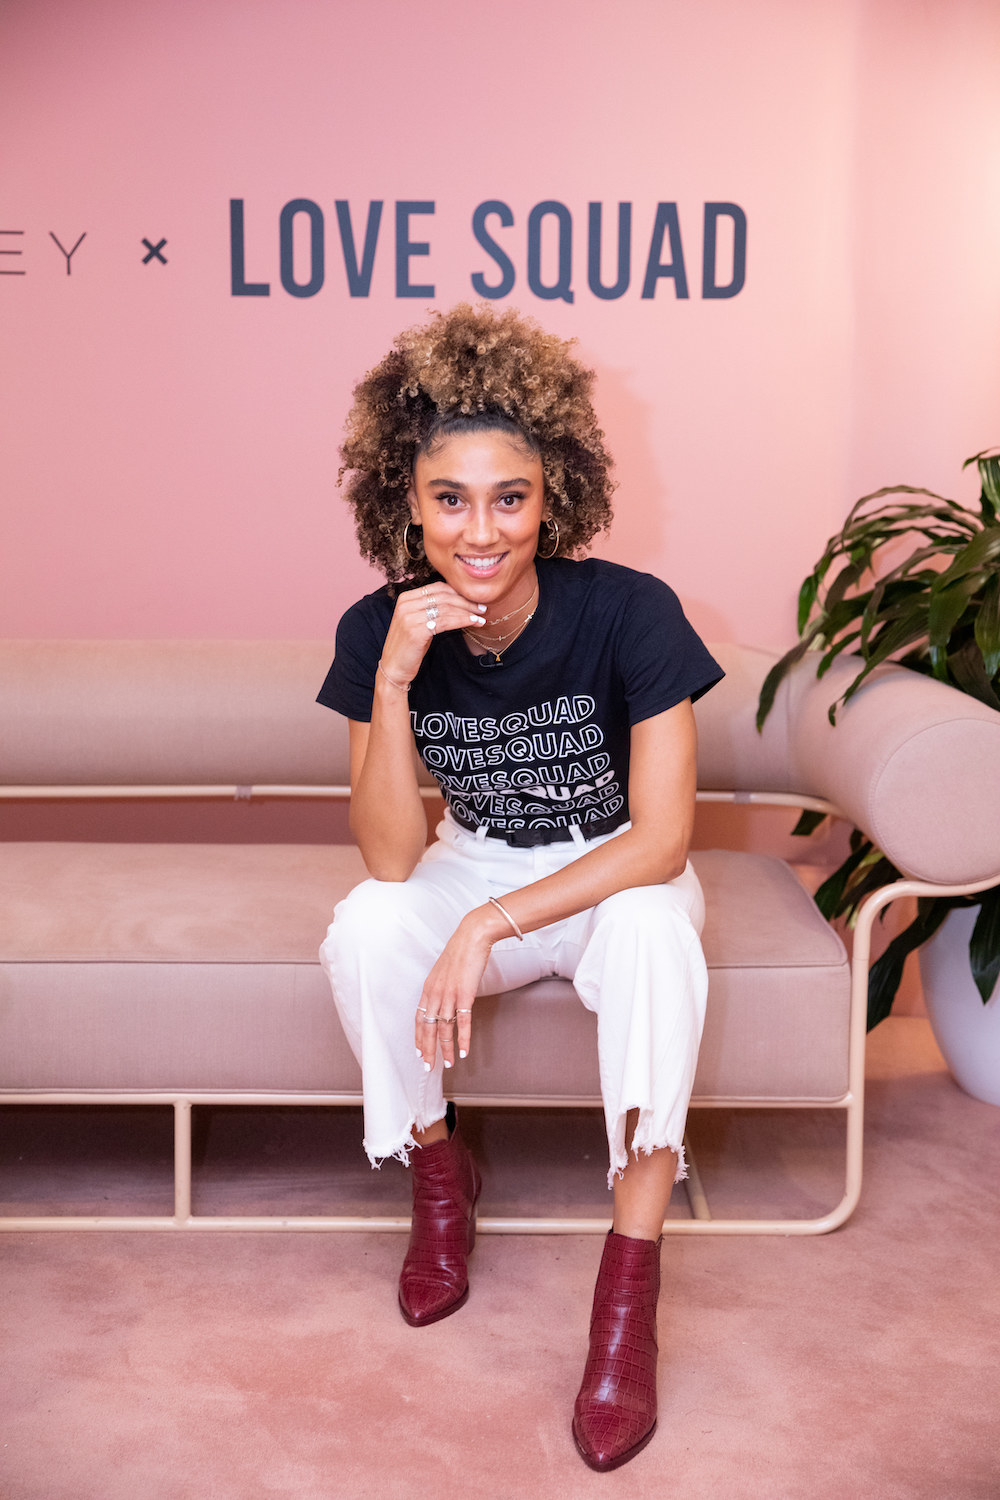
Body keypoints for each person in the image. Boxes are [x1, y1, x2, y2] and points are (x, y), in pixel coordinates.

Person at [317, 303, 723, 1473]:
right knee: (368, 925)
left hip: (607, 868)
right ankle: (441, 1179)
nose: (480, 531)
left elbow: (659, 842)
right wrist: (392, 682)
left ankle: (625, 1297)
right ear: (406, 499)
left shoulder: (629, 613)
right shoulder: (372, 630)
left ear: (556, 498)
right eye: (451, 498)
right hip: (472, 854)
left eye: (511, 497)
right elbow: (393, 859)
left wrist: (491, 922)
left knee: (653, 931)